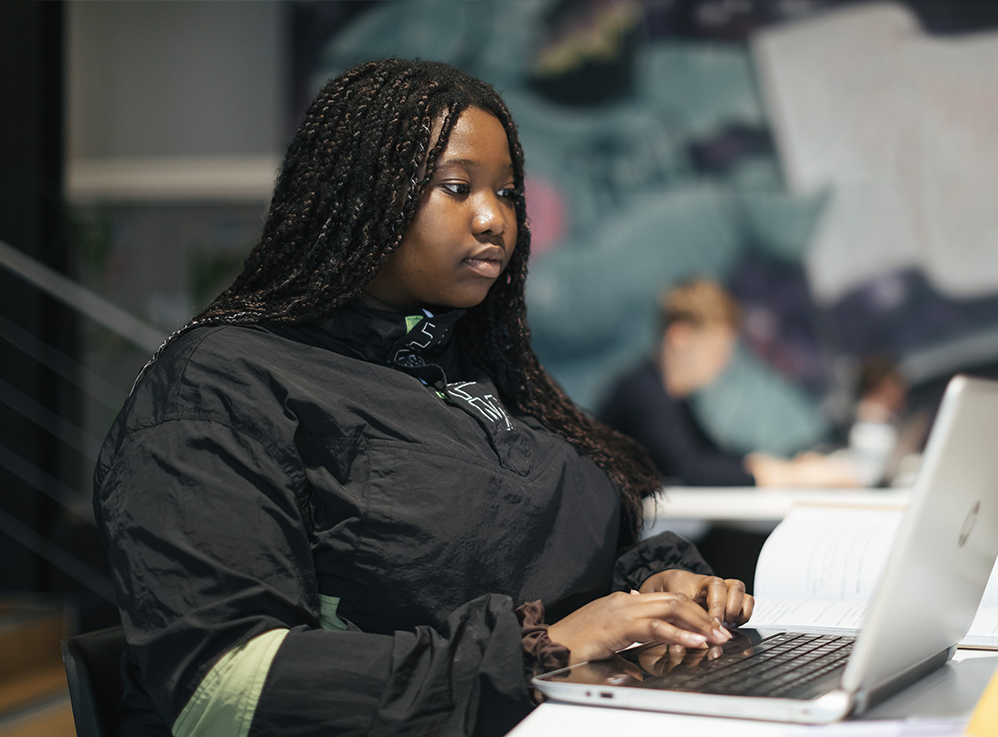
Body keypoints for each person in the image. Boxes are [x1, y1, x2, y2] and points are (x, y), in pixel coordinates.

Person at [94, 59, 753, 737]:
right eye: (458, 187)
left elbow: (538, 554)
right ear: (358, 196)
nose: (495, 218)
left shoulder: (474, 366)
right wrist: (537, 651)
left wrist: (650, 585)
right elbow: (224, 687)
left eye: (508, 193)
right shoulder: (221, 382)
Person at [597, 279, 859, 488]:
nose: (723, 362)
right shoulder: (642, 393)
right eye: (716, 349)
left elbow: (711, 453)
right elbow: (689, 468)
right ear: (680, 337)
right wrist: (789, 476)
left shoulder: (670, 395)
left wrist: (781, 465)